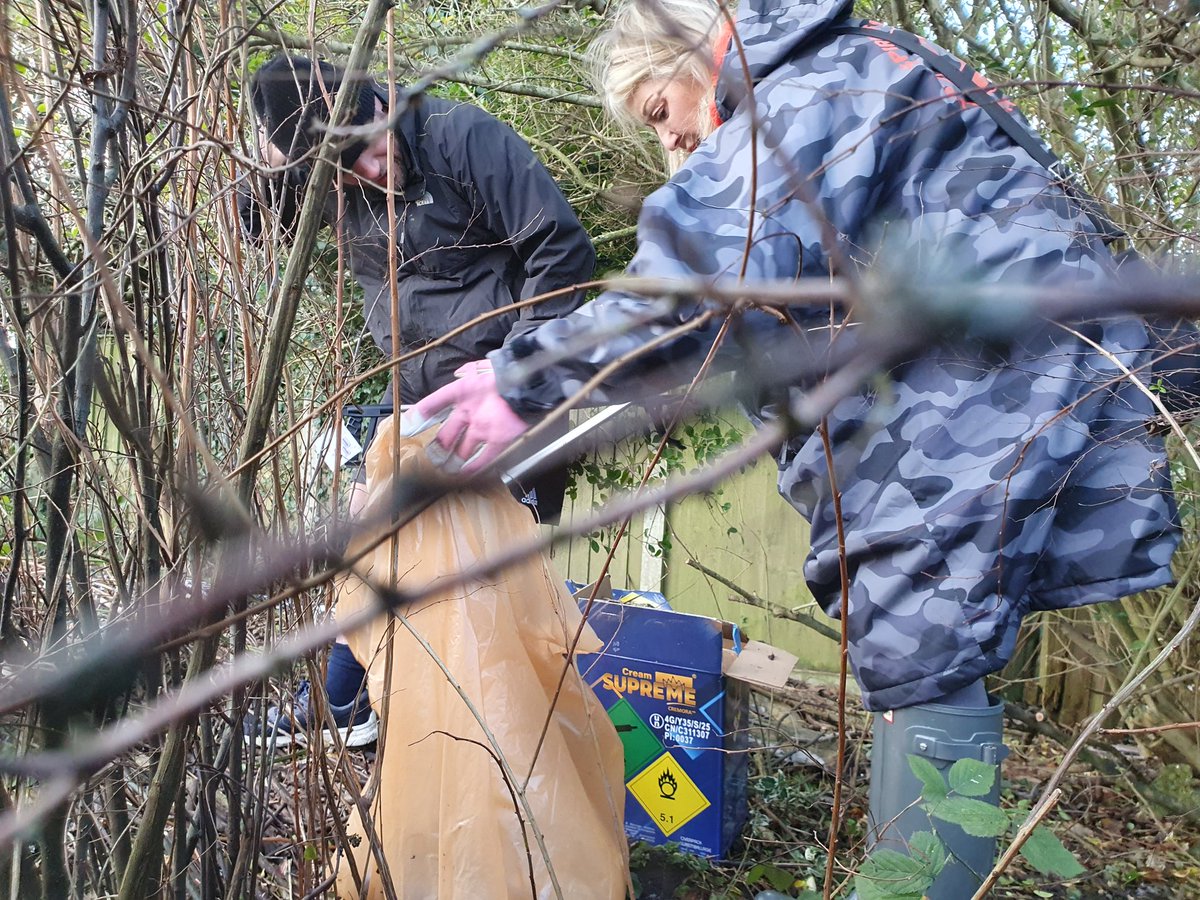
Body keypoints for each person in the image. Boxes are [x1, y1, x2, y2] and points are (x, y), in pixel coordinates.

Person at [413, 1, 1196, 896]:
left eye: (662, 114)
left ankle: (916, 885)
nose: (670, 148)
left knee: (921, 644)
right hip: (1010, 383)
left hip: (986, 398)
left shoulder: (808, 90)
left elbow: (704, 267)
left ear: (702, 42)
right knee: (928, 652)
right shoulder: (870, 72)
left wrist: (525, 381)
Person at [239, 53, 595, 748]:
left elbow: (562, 253)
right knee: (369, 527)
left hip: (507, 392)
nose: (369, 176)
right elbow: (260, 228)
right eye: (347, 172)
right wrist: (267, 161)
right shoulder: (335, 176)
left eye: (370, 154)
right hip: (416, 391)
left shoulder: (462, 139)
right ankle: (350, 703)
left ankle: (487, 742)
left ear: (379, 107)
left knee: (457, 562)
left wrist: (512, 375)